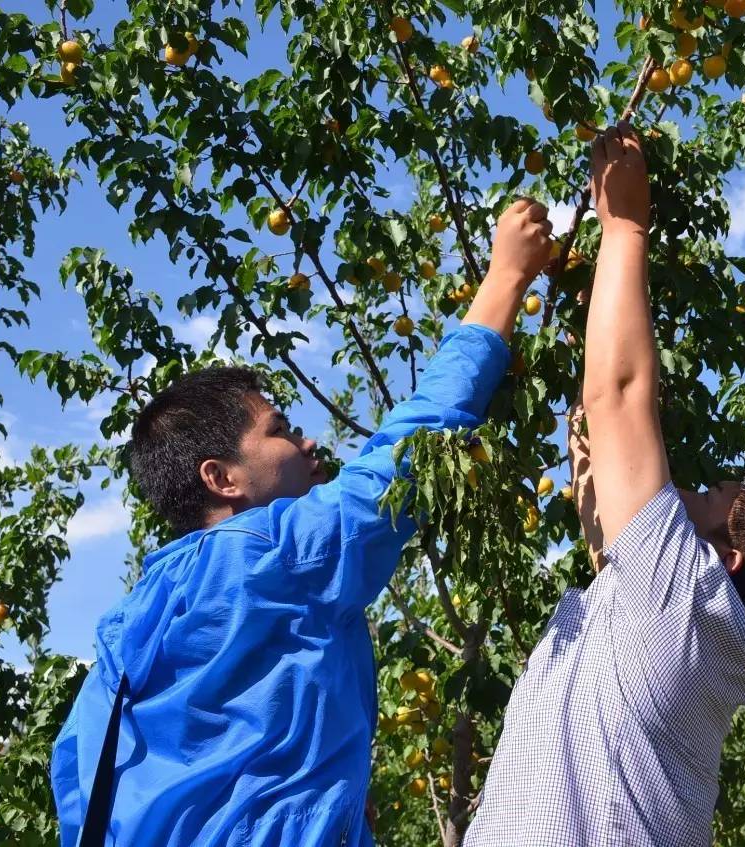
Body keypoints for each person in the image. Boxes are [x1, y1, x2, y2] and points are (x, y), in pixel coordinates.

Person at [50, 198, 555, 846]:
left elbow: (78, 779)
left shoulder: (126, 624)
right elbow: (414, 442)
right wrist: (506, 277)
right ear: (222, 478)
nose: (307, 445)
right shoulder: (278, 550)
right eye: (280, 431)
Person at [463, 121, 745, 846]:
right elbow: (601, 482)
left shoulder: (686, 606)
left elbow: (619, 396)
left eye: (706, 499)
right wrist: (585, 333)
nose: (681, 492)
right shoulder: (667, 625)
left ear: (727, 558)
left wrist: (625, 224)